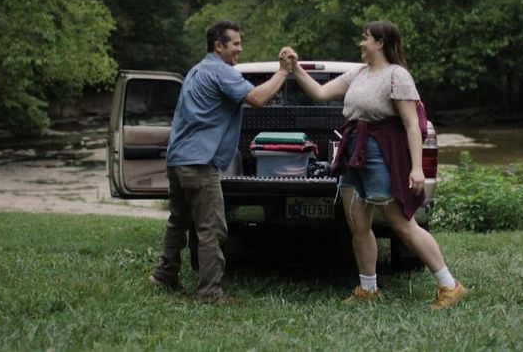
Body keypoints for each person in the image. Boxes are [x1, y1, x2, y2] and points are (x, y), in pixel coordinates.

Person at [287, 20, 467, 310]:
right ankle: (368, 288)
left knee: (401, 223)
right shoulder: (358, 74)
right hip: (353, 150)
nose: (361, 43)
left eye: (365, 38)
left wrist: (417, 168)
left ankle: (449, 285)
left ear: (380, 42)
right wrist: (295, 69)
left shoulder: (398, 76)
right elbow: (320, 93)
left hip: (380, 153)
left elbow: (411, 124)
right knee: (357, 222)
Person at [150, 20, 294, 304]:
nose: (240, 49)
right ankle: (210, 293)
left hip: (177, 159)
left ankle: (164, 276)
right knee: (211, 229)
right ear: (219, 45)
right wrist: (283, 72)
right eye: (236, 44)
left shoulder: (196, 70)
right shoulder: (219, 71)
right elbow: (257, 98)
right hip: (199, 163)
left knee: (178, 221)